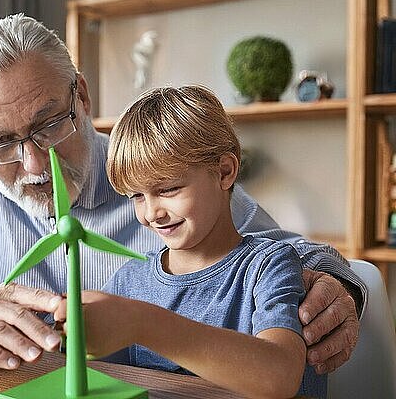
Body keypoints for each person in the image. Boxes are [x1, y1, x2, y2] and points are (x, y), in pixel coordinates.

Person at [0, 13, 364, 375]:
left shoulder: (151, 170)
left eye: (48, 125)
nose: (33, 165)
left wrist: (342, 287)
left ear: (83, 96)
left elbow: (284, 254)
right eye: (1, 143)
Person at [55, 85, 326, 398]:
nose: (152, 213)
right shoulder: (130, 280)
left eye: (168, 189)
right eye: (136, 196)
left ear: (224, 171)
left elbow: (280, 376)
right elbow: (96, 377)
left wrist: (144, 323)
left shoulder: (269, 266)